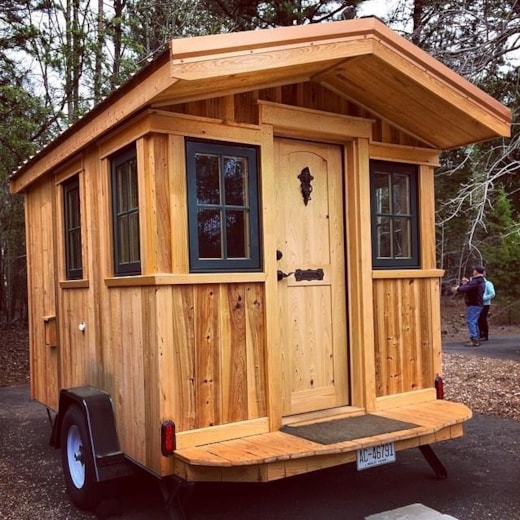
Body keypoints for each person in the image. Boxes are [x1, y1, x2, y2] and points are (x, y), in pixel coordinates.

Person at [451, 265, 486, 347]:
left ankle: (474, 339)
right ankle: (476, 338)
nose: (473, 271)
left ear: (476, 271)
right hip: (478, 304)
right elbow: (469, 286)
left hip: (474, 304)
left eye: (474, 270)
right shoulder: (479, 280)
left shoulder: (476, 281)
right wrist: (466, 283)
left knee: (471, 321)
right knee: (474, 322)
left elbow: (466, 288)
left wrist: (458, 288)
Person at [478, 272, 495, 341]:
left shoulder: (488, 283)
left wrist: (483, 298)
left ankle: (485, 335)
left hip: (485, 304)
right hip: (477, 304)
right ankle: (480, 334)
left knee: (482, 319)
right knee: (478, 320)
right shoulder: (477, 284)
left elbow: (492, 293)